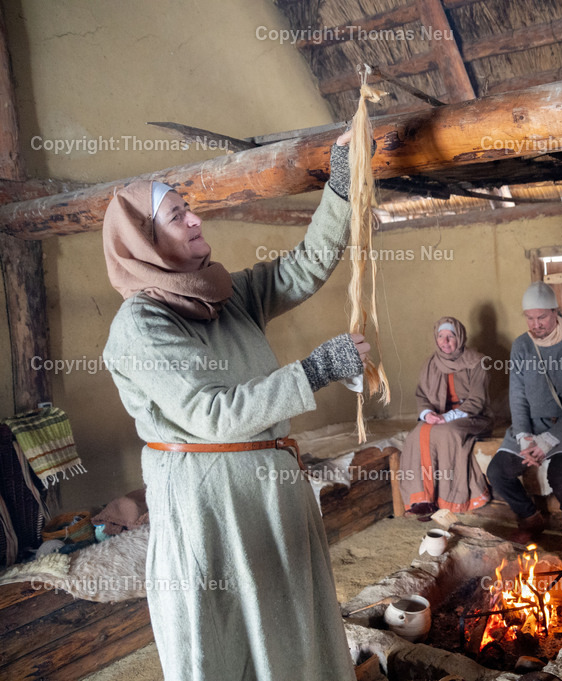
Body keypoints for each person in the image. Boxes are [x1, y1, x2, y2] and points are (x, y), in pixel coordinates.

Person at [102, 132, 368, 681]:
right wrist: (316, 370)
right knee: (231, 633)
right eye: (178, 215)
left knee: (289, 627)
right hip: (211, 508)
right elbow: (212, 415)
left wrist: (340, 185)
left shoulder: (223, 295)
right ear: (145, 240)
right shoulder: (141, 324)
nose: (195, 219)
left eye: (190, 209)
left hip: (269, 494)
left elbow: (303, 267)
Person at [488, 281, 562, 555]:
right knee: (498, 472)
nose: (535, 324)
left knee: (561, 474)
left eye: (541, 317)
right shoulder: (521, 345)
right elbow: (517, 395)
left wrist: (549, 440)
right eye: (529, 318)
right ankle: (530, 518)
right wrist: (524, 437)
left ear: (555, 312)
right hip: (532, 424)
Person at [398, 316, 493, 515]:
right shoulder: (430, 363)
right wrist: (428, 414)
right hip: (439, 416)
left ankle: (449, 501)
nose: (445, 341)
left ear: (460, 337)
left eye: (451, 336)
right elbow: (422, 395)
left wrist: (447, 418)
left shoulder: (477, 362)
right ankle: (422, 499)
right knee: (417, 433)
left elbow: (477, 400)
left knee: (446, 433)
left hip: (472, 416)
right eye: (441, 336)